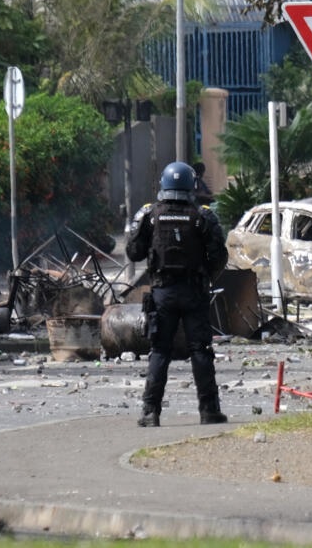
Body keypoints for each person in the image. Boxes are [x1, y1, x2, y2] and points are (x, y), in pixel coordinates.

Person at [125, 161, 228, 427]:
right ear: (191, 185)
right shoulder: (202, 215)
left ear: (163, 184)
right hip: (194, 292)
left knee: (159, 351)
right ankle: (209, 411)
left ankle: (150, 412)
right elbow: (219, 255)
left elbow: (133, 252)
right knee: (201, 351)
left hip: (162, 293)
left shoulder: (150, 215)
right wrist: (205, 277)